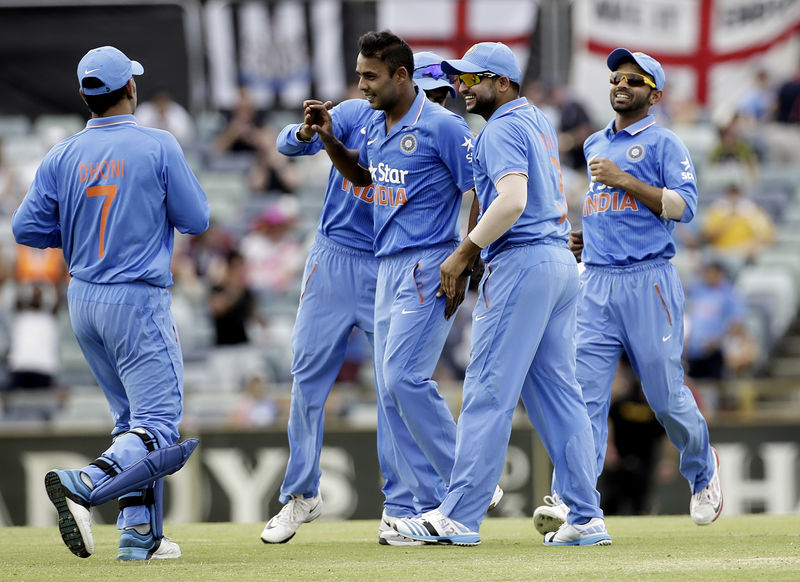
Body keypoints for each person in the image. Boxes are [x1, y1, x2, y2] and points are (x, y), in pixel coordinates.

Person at [260, 46, 494, 546]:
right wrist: (308, 133)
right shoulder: (357, 113)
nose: (434, 99)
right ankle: (302, 493)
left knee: (395, 386)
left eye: (438, 92)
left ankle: (403, 504)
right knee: (308, 374)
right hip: (338, 257)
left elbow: (477, 190)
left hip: (399, 261)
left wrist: (467, 256)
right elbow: (290, 144)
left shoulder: (433, 128)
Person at [390, 42, 610, 547]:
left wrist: (464, 252)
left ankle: (459, 515)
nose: (464, 88)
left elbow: (512, 200)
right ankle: (585, 514)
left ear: (504, 83)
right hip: (557, 263)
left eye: (474, 79)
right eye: (461, 80)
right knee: (559, 395)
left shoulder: (501, 128)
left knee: (488, 389)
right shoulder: (533, 119)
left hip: (522, 262)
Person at [11, 46, 209, 560]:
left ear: (84, 95)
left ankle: (139, 534)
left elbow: (25, 228)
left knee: (132, 423)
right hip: (135, 297)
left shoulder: (62, 153)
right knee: (160, 425)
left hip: (83, 299)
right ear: (132, 89)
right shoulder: (158, 144)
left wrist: (80, 234)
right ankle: (84, 482)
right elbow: (196, 219)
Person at [533, 48, 722, 534]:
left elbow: (683, 207)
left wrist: (624, 179)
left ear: (653, 94)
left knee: (663, 394)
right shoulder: (596, 140)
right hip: (596, 280)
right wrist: (585, 236)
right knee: (585, 396)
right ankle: (579, 507)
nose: (621, 84)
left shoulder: (664, 144)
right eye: (617, 77)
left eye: (635, 80)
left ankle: (702, 470)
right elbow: (606, 205)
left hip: (648, 280)